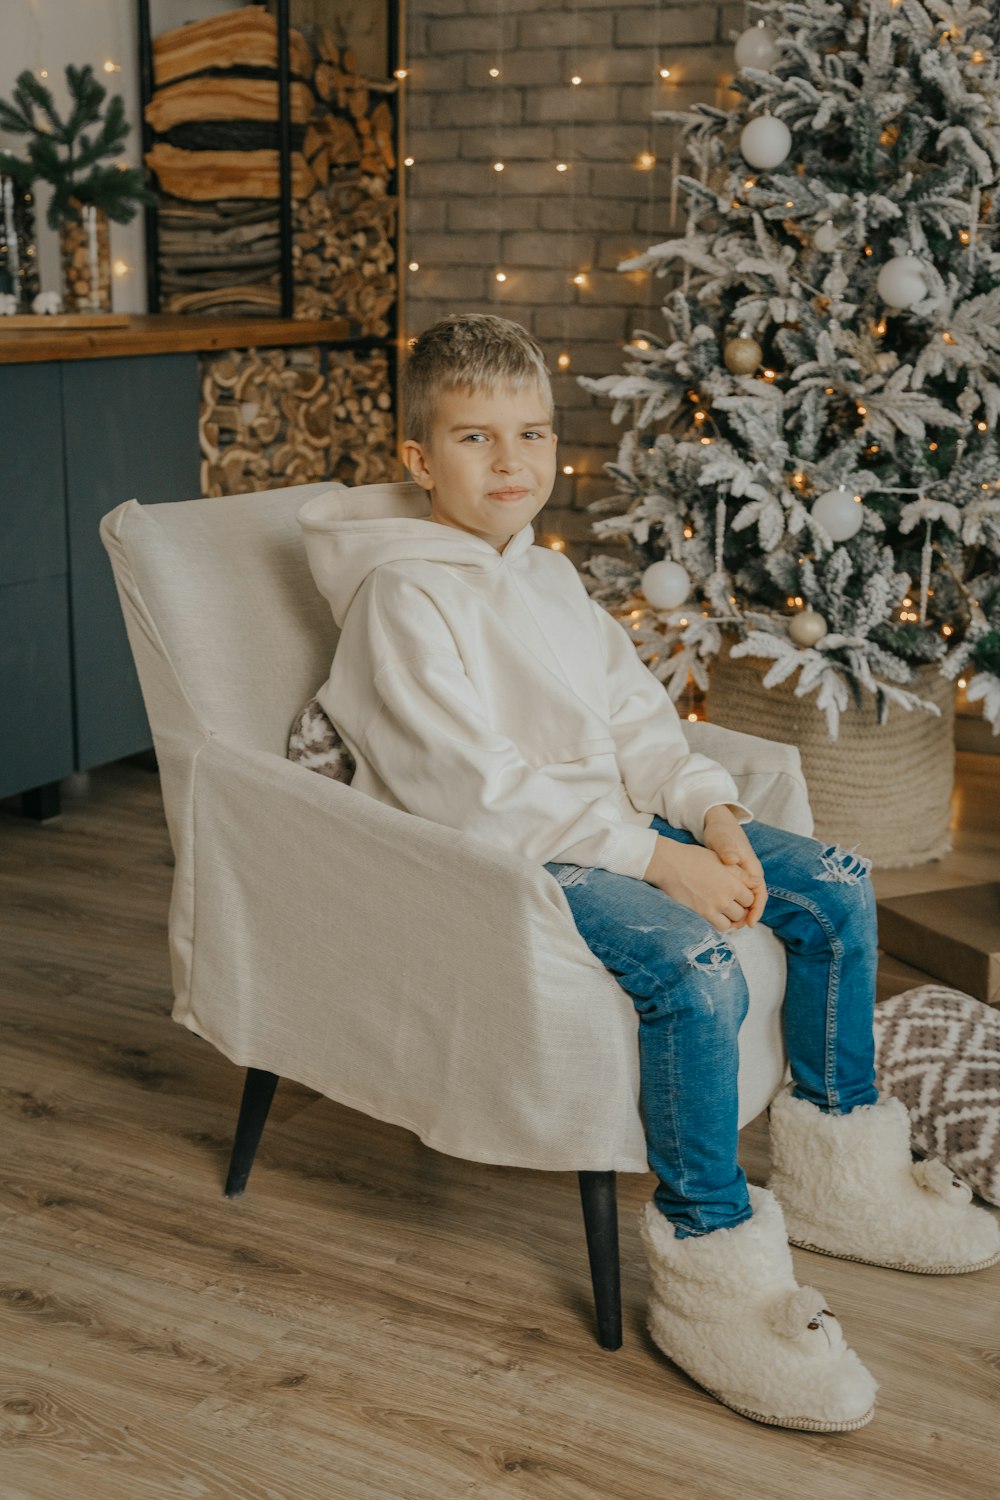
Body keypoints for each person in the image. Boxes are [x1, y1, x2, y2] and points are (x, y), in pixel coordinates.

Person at [298, 313, 999, 1432]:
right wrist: (657, 864)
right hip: (517, 862)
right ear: (420, 460)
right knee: (699, 965)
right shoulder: (401, 599)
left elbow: (637, 720)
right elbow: (475, 794)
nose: (513, 462)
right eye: (476, 440)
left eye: (530, 434)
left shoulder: (549, 580)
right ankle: (715, 1267)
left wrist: (709, 810)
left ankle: (837, 1176)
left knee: (831, 880)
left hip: (627, 822)